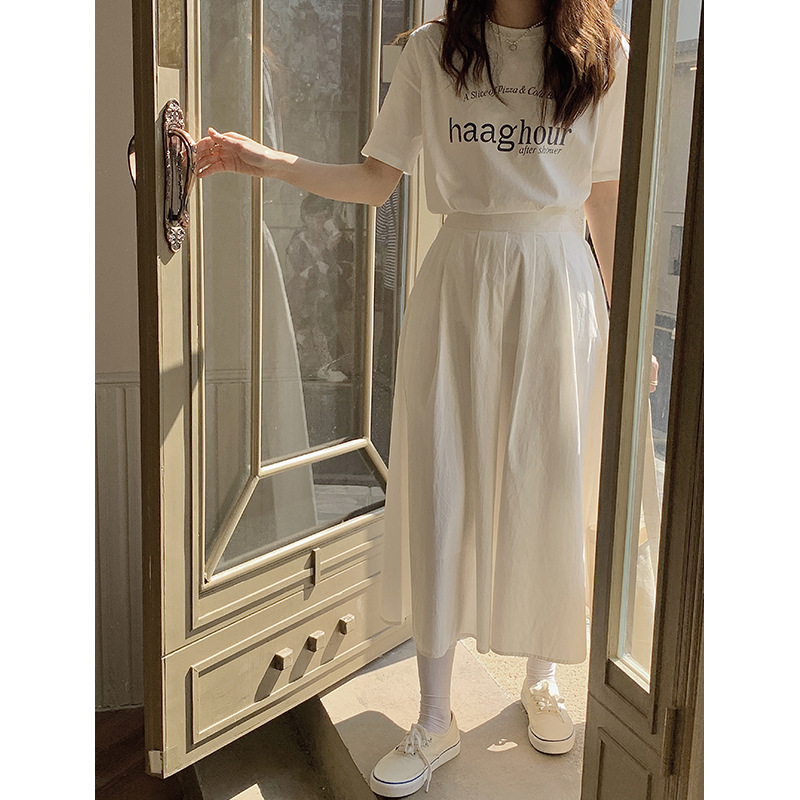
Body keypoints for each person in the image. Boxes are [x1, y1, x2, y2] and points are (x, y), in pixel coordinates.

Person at [196, 1, 628, 796]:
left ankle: (541, 680)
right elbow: (376, 179)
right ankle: (434, 716)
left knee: (550, 485)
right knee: (441, 488)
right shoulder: (433, 52)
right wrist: (270, 161)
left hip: (558, 286)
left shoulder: (604, 52)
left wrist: (625, 320)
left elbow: (603, 196)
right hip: (459, 283)